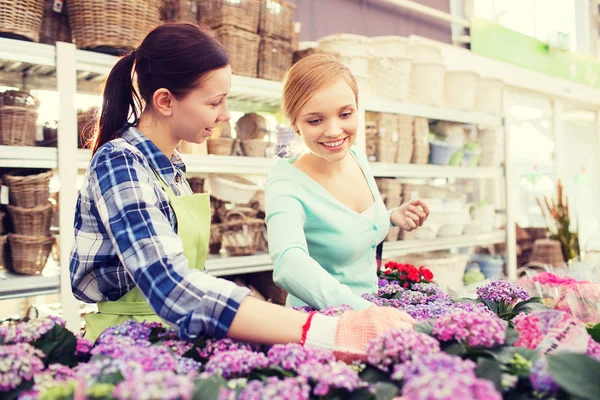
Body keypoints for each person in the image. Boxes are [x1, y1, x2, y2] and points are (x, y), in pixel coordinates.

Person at [69, 23, 415, 360]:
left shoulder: (169, 167)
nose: (225, 115)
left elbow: (190, 276)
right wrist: (327, 331)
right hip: (128, 350)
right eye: (214, 102)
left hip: (173, 339)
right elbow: (174, 287)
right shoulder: (120, 164)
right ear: (165, 101)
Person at [265, 54, 430, 310]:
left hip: (372, 317)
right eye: (315, 120)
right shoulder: (285, 183)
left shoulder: (357, 156)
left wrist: (391, 216)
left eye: (345, 114)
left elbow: (348, 226)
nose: (333, 130)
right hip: (322, 325)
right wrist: (366, 313)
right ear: (295, 124)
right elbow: (288, 262)